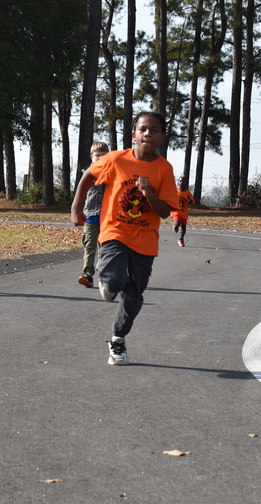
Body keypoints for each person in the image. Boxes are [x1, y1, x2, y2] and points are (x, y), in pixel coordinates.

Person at [71, 112, 177, 366]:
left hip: (145, 240)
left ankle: (118, 340)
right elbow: (89, 175)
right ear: (133, 134)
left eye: (154, 130)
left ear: (162, 137)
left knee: (134, 296)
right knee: (114, 284)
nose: (148, 133)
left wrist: (148, 192)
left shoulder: (164, 169)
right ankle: (108, 280)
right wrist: (77, 207)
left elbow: (164, 212)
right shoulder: (117, 160)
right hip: (115, 232)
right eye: (142, 129)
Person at [77, 141, 110, 288]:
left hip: (107, 217)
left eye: (104, 155)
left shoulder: (113, 173)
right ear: (92, 157)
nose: (101, 158)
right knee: (89, 245)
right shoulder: (87, 172)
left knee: (105, 246)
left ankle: (104, 273)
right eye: (97, 155)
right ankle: (88, 274)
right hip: (90, 215)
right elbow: (81, 193)